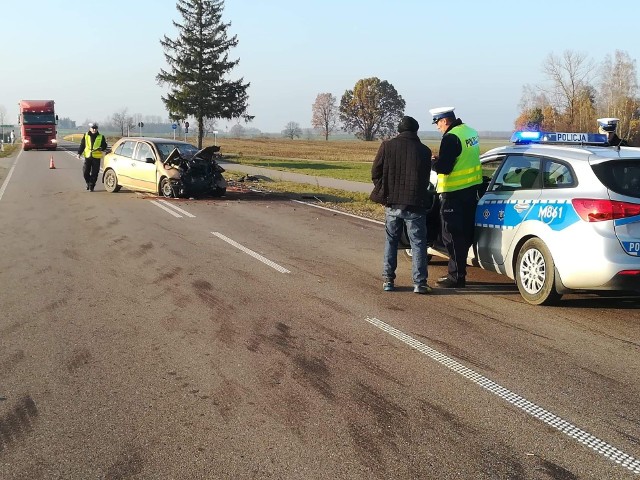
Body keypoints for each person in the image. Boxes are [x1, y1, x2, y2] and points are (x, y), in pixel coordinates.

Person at [370, 115, 433, 294]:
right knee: (418, 243)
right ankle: (419, 283)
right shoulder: (424, 151)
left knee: (391, 240)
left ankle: (388, 280)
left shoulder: (387, 146)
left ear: (399, 130)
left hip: (392, 203)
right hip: (416, 204)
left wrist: (384, 190)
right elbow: (426, 178)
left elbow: (375, 172)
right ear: (416, 130)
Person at [429, 107, 482, 288]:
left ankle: (456, 277)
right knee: (464, 235)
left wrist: (433, 162)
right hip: (470, 193)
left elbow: (445, 168)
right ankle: (459, 272)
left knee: (451, 236)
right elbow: (464, 159)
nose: (437, 127)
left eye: (437, 123)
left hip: (453, 195)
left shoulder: (451, 137)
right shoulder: (470, 132)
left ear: (445, 120)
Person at [77, 123, 108, 191]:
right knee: (85, 172)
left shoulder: (101, 136)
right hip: (88, 156)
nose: (94, 130)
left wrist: (101, 148)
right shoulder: (86, 135)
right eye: (93, 128)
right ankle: (88, 183)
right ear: (90, 129)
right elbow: (82, 145)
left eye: (95, 128)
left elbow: (104, 145)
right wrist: (79, 153)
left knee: (95, 173)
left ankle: (91, 185)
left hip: (96, 157)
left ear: (97, 129)